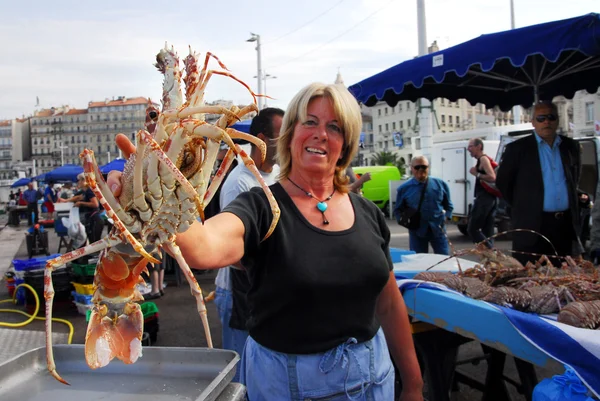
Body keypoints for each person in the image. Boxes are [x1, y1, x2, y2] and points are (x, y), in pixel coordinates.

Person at [108, 83, 423, 400]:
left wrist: (413, 383)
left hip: (375, 380)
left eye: (335, 127)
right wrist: (149, 193)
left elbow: (388, 300)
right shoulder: (261, 207)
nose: (321, 134)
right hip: (290, 387)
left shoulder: (368, 213)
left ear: (347, 142)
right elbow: (204, 246)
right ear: (290, 134)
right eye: (310, 122)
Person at [214, 107, 284, 381]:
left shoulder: (278, 174)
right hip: (238, 292)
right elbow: (232, 253)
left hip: (264, 289)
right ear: (260, 139)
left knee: (262, 373)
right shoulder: (239, 182)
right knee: (239, 375)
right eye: (281, 135)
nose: (288, 141)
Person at [496, 101, 584, 265]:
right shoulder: (517, 149)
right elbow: (503, 183)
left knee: (564, 278)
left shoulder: (571, 147)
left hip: (564, 226)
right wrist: (524, 205)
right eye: (541, 118)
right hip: (532, 225)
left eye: (551, 117)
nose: (546, 122)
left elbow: (574, 179)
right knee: (531, 279)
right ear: (533, 122)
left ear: (557, 120)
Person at [394, 156, 453, 255]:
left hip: (438, 230)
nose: (420, 169)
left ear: (428, 167)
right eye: (417, 167)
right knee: (419, 260)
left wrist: (447, 217)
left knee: (444, 259)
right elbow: (398, 210)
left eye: (424, 167)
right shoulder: (404, 188)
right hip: (417, 232)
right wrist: (406, 223)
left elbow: (449, 205)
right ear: (412, 168)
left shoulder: (440, 184)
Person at [467, 138, 498, 248]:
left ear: (479, 146)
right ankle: (491, 260)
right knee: (487, 232)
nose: (468, 149)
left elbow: (492, 177)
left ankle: (491, 253)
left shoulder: (483, 159)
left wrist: (477, 174)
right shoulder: (483, 159)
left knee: (472, 229)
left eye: (471, 146)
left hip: (485, 199)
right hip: (491, 199)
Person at [59, 174, 104, 245]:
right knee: (92, 242)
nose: (78, 182)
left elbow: (95, 204)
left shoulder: (89, 190)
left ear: (84, 181)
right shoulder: (84, 191)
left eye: (79, 180)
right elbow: (77, 197)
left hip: (95, 220)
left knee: (95, 243)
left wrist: (81, 203)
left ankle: (95, 255)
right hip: (92, 220)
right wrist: (66, 200)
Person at [204, 143, 239, 219]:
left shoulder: (234, 180)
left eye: (222, 162)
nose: (219, 167)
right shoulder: (212, 183)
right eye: (219, 163)